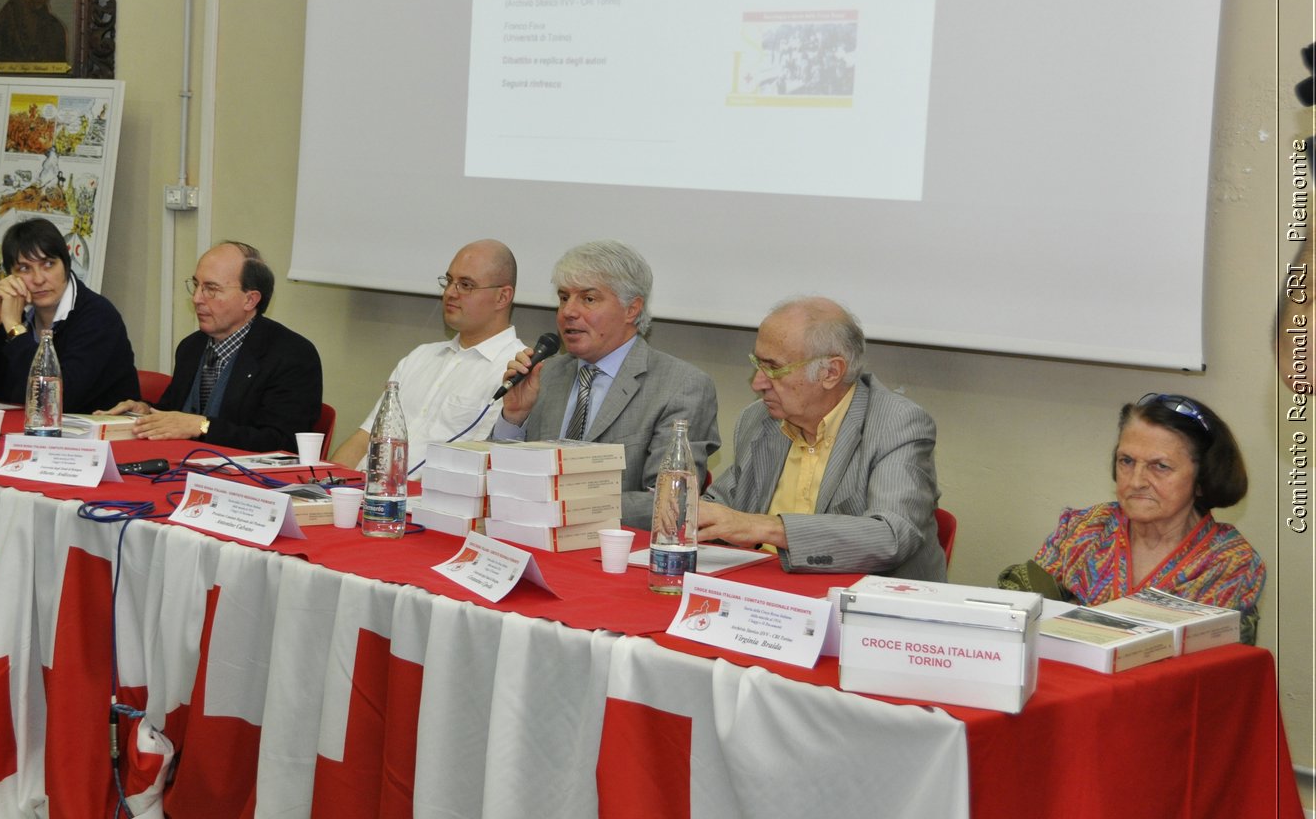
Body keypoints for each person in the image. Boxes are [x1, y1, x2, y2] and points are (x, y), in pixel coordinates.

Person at [697, 297, 945, 580]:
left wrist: (767, 528)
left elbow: (891, 535)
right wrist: (688, 509)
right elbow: (725, 505)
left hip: (862, 607)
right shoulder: (760, 419)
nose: (757, 383)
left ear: (830, 372)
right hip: (768, 600)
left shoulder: (897, 424)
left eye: (774, 368)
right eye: (757, 363)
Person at [999, 393, 1265, 643]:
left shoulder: (1229, 561)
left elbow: (1204, 663)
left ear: (1201, 479)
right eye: (1126, 461)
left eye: (1160, 466)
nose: (1136, 481)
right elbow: (1018, 608)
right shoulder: (1086, 527)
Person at [492, 239, 718, 529]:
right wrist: (514, 418)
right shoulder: (545, 374)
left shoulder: (681, 387)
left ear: (632, 309)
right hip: (530, 537)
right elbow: (497, 480)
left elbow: (672, 501)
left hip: (612, 551)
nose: (568, 312)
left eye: (588, 299)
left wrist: (563, 505)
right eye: (563, 298)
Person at [99, 242, 322, 452]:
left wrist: (203, 427)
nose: (196, 298)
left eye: (211, 289)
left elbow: (283, 443)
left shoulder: (292, 356)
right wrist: (146, 411)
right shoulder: (191, 347)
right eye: (196, 285)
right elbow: (175, 413)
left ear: (250, 300)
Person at [331, 239, 525, 470]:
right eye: (449, 281)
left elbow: (477, 468)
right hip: (364, 493)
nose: (451, 293)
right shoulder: (420, 357)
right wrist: (326, 484)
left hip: (423, 500)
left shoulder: (516, 371)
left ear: (503, 297)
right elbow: (365, 438)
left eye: (466, 285)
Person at [0, 216, 139, 413]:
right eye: (24, 268)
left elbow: (54, 399)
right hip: (19, 434)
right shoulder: (13, 314)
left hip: (92, 440)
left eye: (48, 264)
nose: (38, 279)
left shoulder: (98, 316)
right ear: (10, 276)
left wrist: (15, 329)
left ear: (65, 263)